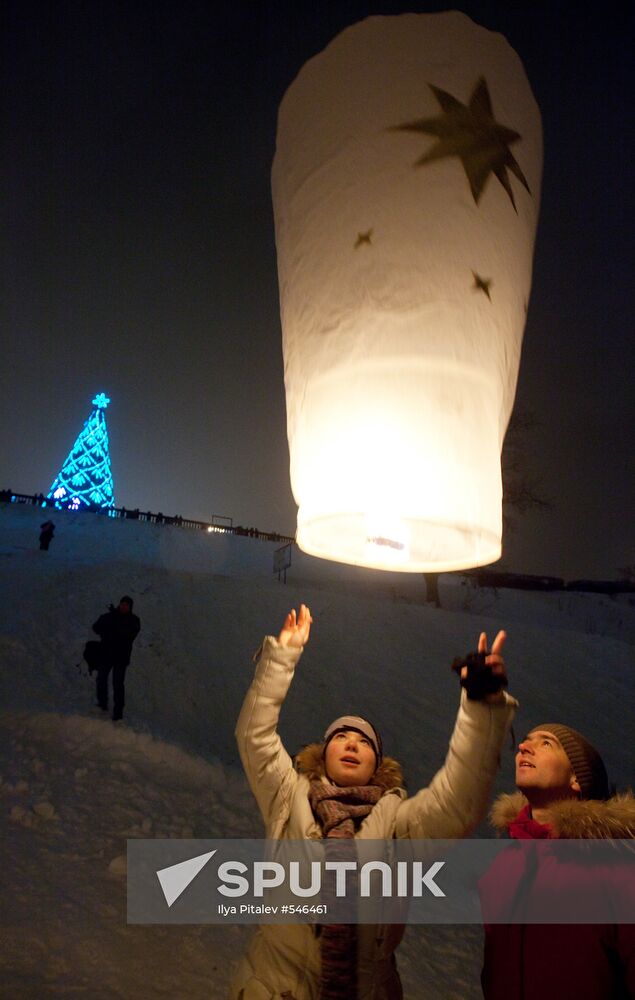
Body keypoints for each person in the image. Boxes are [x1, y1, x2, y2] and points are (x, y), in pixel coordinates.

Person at [232, 604, 517, 999]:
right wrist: (280, 658)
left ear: (377, 766)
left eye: (364, 742)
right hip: (273, 984)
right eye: (342, 738)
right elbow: (254, 737)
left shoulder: (397, 822)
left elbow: (458, 802)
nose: (352, 743)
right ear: (324, 753)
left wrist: (482, 705)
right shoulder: (289, 793)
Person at [480, 723, 635, 999]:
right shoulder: (503, 866)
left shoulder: (617, 871)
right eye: (526, 741)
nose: (523, 747)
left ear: (577, 779)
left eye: (546, 743)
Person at [92, 596, 140, 721]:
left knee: (117, 684)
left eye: (126, 605)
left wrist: (112, 626)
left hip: (121, 658)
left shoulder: (134, 620)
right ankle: (102, 704)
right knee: (101, 679)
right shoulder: (110, 616)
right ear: (119, 604)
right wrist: (107, 629)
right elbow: (96, 627)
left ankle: (118, 713)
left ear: (130, 607)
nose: (124, 606)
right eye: (122, 604)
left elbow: (128, 634)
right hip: (106, 654)